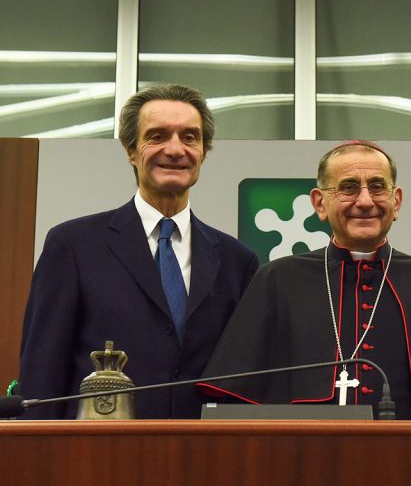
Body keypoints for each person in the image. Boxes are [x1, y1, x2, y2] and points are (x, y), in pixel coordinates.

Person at [200, 140, 411, 419]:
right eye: (348, 188)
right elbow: (235, 409)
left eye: (377, 187)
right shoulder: (276, 282)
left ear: (396, 202)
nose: (365, 201)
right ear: (319, 204)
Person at [18, 84, 259, 419]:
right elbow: (42, 373)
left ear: (204, 152)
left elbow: (246, 379)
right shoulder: (72, 246)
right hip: (99, 447)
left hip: (202, 446)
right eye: (157, 136)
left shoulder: (237, 261)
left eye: (189, 137)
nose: (175, 149)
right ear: (130, 149)